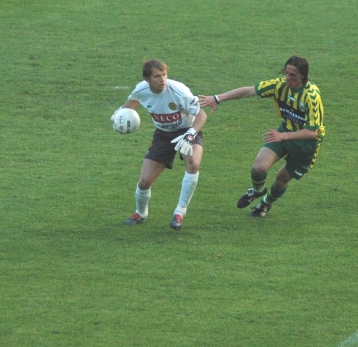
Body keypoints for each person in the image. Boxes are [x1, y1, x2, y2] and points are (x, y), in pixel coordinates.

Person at [199, 56, 324, 217]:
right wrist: (217, 98)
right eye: (286, 73)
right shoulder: (279, 85)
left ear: (302, 75)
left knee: (281, 180)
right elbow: (249, 90)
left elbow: (312, 132)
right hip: (284, 132)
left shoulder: (311, 96)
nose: (287, 77)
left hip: (305, 145)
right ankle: (257, 191)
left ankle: (265, 203)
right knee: (258, 168)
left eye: (292, 75)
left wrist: (283, 136)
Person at [111, 59, 207, 230]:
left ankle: (180, 212)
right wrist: (119, 116)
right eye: (157, 76)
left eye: (164, 75)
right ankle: (140, 213)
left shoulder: (179, 91)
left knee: (193, 164)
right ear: (147, 79)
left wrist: (191, 135)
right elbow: (130, 106)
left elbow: (201, 115)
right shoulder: (141, 90)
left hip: (188, 131)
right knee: (144, 182)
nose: (162, 79)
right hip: (162, 136)